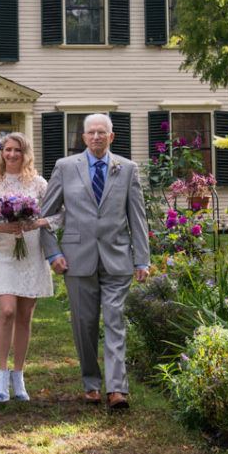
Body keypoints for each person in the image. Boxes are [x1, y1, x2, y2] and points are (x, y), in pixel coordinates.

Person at [40, 113, 150, 409]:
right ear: (83, 138)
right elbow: (45, 217)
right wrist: (53, 253)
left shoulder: (126, 169)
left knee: (115, 320)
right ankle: (91, 382)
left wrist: (142, 260)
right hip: (76, 259)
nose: (97, 137)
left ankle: (117, 389)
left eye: (103, 132)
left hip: (117, 257)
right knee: (84, 324)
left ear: (111, 137)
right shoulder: (65, 167)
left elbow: (137, 218)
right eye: (92, 132)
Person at [0, 132, 60, 402]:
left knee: (24, 317)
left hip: (31, 250)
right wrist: (0, 226)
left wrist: (37, 223)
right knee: (7, 310)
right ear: (2, 153)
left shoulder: (39, 184)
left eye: (17, 150)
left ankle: (18, 378)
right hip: (3, 252)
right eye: (7, 150)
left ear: (25, 153)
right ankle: (1, 376)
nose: (11, 155)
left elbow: (59, 214)